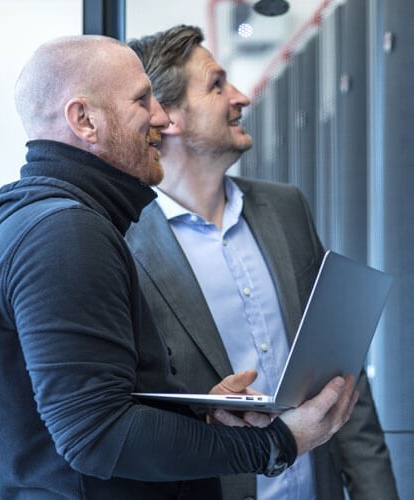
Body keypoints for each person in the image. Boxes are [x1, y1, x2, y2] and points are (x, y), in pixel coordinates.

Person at [0, 34, 359, 499]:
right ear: (84, 120)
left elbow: (92, 407)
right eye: (141, 100)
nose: (162, 118)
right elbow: (98, 436)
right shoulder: (66, 233)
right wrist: (276, 443)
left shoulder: (37, 223)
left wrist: (197, 417)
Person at [125, 25, 399, 500]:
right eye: (217, 85)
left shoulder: (285, 208)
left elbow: (341, 375)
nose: (241, 97)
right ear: (168, 117)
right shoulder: (127, 241)